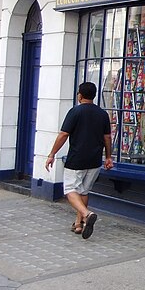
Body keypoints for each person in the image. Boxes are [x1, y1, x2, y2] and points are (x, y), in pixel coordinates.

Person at [45, 82, 113, 239]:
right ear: (94, 95)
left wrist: (52, 154)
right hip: (95, 160)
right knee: (83, 190)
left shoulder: (75, 112)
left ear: (80, 95)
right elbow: (107, 137)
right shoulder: (103, 114)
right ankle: (79, 224)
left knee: (70, 190)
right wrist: (108, 157)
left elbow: (63, 134)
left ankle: (86, 214)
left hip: (77, 159)